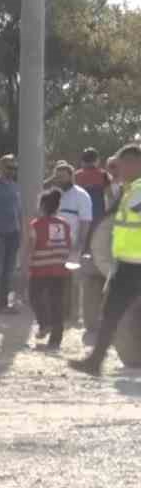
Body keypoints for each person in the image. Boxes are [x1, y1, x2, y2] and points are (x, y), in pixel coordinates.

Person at [72, 144, 141, 376]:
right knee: (111, 312)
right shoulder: (130, 189)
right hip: (127, 264)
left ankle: (95, 360)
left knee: (113, 312)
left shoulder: (137, 190)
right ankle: (95, 361)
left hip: (136, 265)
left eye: (121, 165)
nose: (117, 170)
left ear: (134, 164)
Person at [27, 189, 73, 350]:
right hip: (60, 269)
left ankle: (44, 323)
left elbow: (32, 246)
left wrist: (27, 263)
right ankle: (55, 340)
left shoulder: (36, 224)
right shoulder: (65, 224)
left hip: (40, 268)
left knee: (34, 297)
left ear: (43, 206)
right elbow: (69, 245)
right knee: (57, 302)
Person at [51, 162, 94, 326]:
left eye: (62, 176)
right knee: (56, 280)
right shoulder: (54, 195)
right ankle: (59, 313)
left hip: (73, 245)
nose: (59, 179)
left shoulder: (81, 196)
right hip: (53, 246)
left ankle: (74, 314)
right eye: (57, 176)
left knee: (74, 281)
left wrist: (80, 245)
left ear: (71, 176)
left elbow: (85, 222)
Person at [0, 155, 22, 312]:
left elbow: (19, 211)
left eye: (14, 168)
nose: (12, 171)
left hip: (13, 233)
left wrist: (22, 232)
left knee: (9, 270)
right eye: (9, 168)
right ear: (1, 167)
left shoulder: (15, 186)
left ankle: (4, 303)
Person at [75, 148, 111, 229]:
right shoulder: (103, 174)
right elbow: (110, 196)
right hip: (98, 215)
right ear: (97, 160)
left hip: (80, 215)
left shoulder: (76, 175)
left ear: (83, 160)